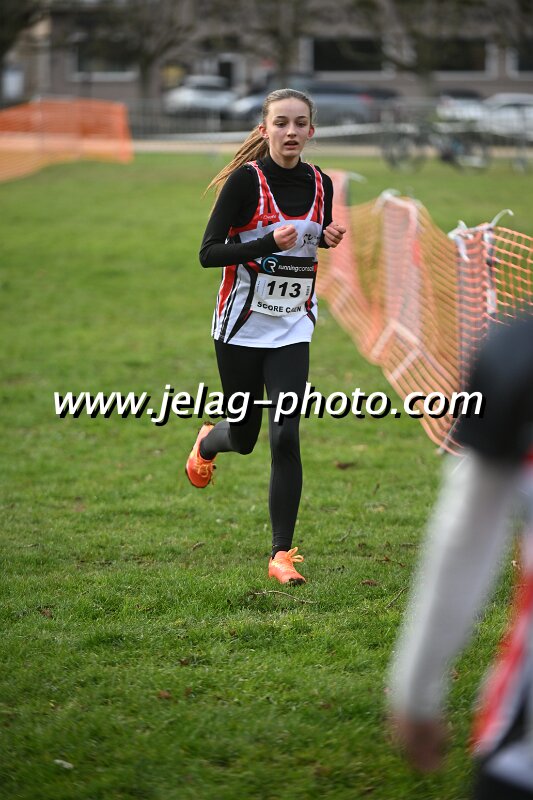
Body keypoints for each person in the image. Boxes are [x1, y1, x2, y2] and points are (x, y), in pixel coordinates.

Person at [185, 88, 346, 585]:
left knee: (286, 434)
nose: (290, 131)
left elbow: (310, 236)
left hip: (293, 326)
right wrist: (263, 242)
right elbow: (208, 253)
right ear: (264, 129)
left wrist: (326, 237)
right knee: (246, 437)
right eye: (281, 122)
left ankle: (281, 554)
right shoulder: (245, 182)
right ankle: (209, 442)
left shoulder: (321, 182)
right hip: (240, 327)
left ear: (312, 131)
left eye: (299, 123)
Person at [388, 316, 533, 799]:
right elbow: (468, 532)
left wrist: (415, 692)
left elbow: (467, 536)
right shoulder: (517, 360)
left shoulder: (516, 353)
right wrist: (415, 691)